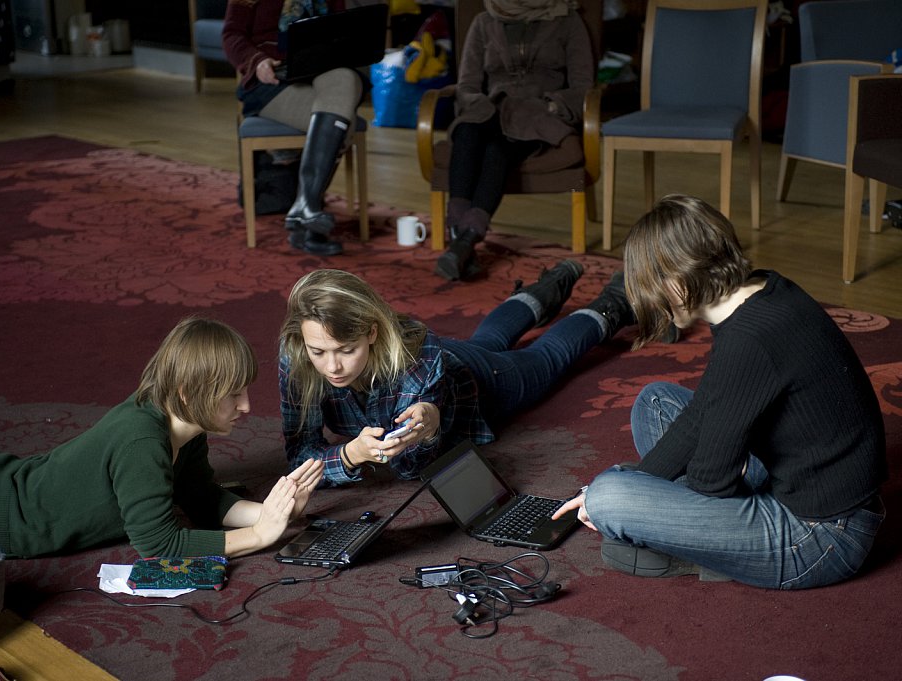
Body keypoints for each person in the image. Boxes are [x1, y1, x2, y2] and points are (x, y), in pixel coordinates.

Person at [554, 195, 888, 589]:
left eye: (651, 292)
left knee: (608, 497)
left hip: (821, 537)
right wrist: (646, 481)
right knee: (655, 402)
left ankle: (712, 552)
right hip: (806, 479)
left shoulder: (749, 341)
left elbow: (712, 482)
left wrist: (614, 498)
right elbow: (706, 409)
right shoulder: (766, 290)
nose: (656, 308)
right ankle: (687, 523)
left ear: (676, 284)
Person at [0, 317, 324, 559]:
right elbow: (160, 544)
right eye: (233, 396)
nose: (247, 407)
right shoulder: (142, 443)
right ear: (190, 393)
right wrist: (260, 537)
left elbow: (201, 499)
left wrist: (271, 512)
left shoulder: (185, 424)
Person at [278, 262, 644, 485]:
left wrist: (430, 427)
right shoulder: (296, 353)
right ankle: (547, 288)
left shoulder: (417, 360)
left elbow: (409, 468)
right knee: (489, 339)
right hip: (446, 358)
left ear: (372, 332)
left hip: (477, 381)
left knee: (546, 358)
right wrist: (350, 455)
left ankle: (615, 302)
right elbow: (299, 457)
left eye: (347, 350)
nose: (332, 367)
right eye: (319, 352)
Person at [435, 0, 594, 280]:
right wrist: (476, 103)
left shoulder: (567, 19)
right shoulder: (484, 21)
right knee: (467, 131)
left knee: (497, 151)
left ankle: (464, 242)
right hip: (491, 108)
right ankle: (462, 242)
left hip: (538, 115)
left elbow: (583, 85)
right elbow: (467, 84)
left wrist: (554, 105)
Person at [222, 0, 366, 256]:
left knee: (346, 77)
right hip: (273, 79)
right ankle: (309, 223)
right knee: (345, 121)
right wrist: (257, 62)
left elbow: (342, 28)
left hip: (321, 72)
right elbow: (231, 34)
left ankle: (305, 207)